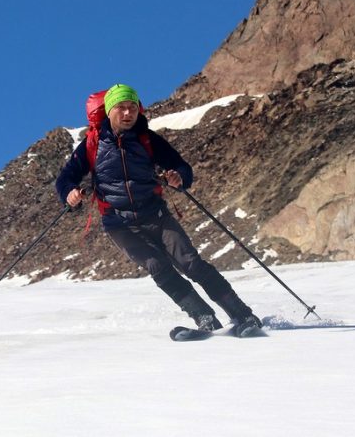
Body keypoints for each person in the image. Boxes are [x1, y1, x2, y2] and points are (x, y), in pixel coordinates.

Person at [55, 83, 261, 332]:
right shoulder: (91, 145)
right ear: (109, 111)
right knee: (157, 266)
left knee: (191, 263)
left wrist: (179, 178)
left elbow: (182, 167)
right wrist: (70, 194)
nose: (128, 113)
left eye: (132, 107)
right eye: (121, 108)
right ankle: (204, 317)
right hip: (119, 223)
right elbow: (66, 179)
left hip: (156, 214)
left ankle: (242, 315)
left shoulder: (147, 139)